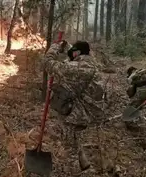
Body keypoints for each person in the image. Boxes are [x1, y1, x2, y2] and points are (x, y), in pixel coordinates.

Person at [44, 40, 104, 171]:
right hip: (91, 107)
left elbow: (49, 64)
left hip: (86, 111)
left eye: (74, 51)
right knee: (72, 132)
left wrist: (53, 49)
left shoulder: (80, 67)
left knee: (66, 133)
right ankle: (82, 159)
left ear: (78, 53)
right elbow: (73, 56)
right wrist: (66, 47)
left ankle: (74, 167)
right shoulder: (90, 62)